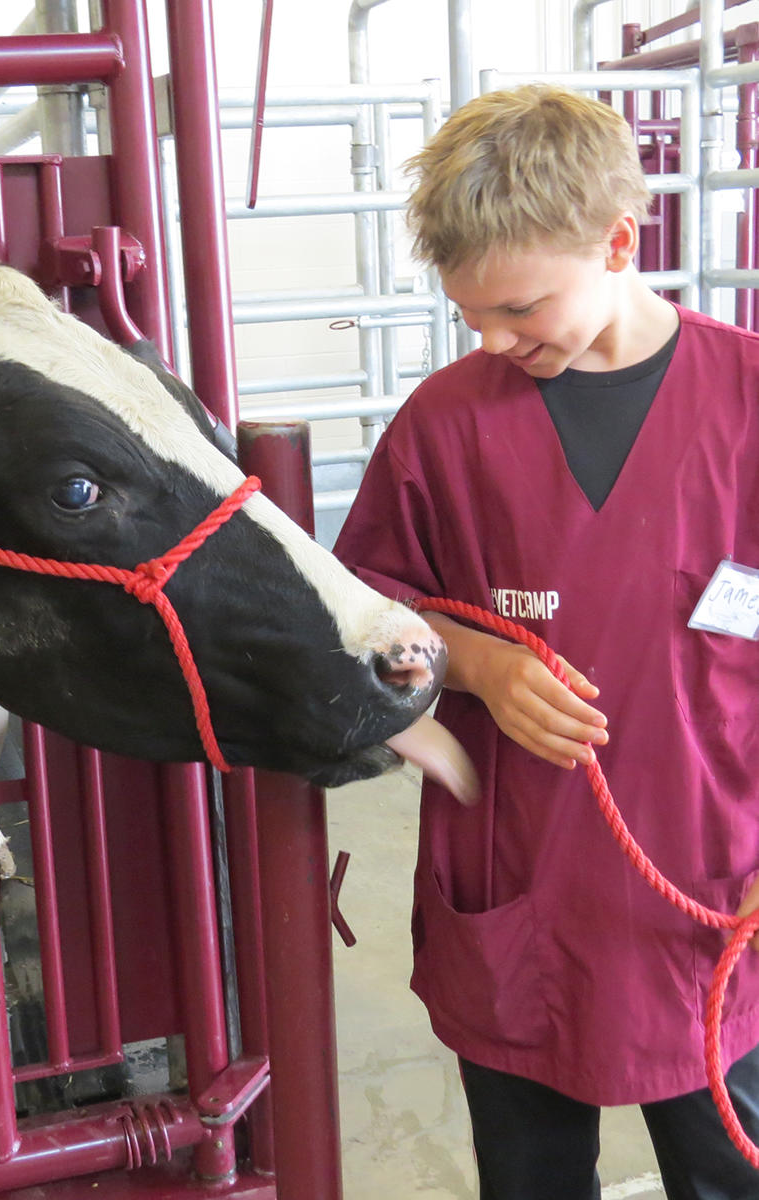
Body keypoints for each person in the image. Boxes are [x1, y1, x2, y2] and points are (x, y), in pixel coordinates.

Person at [332, 83, 759, 1200]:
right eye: (470, 316)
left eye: (520, 309)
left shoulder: (749, 404)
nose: (494, 339)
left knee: (729, 1163)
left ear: (618, 241)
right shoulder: (445, 424)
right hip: (520, 878)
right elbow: (359, 604)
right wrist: (474, 664)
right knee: (526, 1175)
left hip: (713, 882)